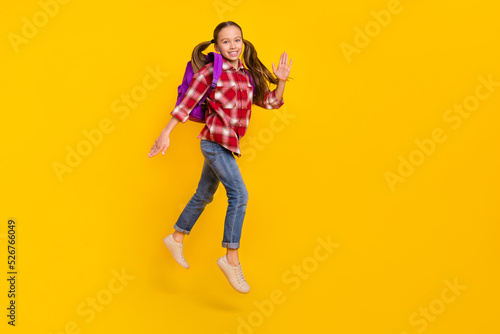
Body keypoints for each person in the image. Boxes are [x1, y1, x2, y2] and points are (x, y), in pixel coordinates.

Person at [147, 21, 292, 293]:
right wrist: (165, 133)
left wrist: (281, 80)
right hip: (214, 142)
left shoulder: (247, 77)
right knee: (240, 195)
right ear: (216, 46)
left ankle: (176, 237)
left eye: (237, 40)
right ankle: (230, 258)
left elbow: (271, 102)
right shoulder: (209, 74)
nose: (233, 46)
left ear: (243, 43)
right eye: (226, 41)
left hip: (228, 146)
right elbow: (185, 105)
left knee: (204, 194)